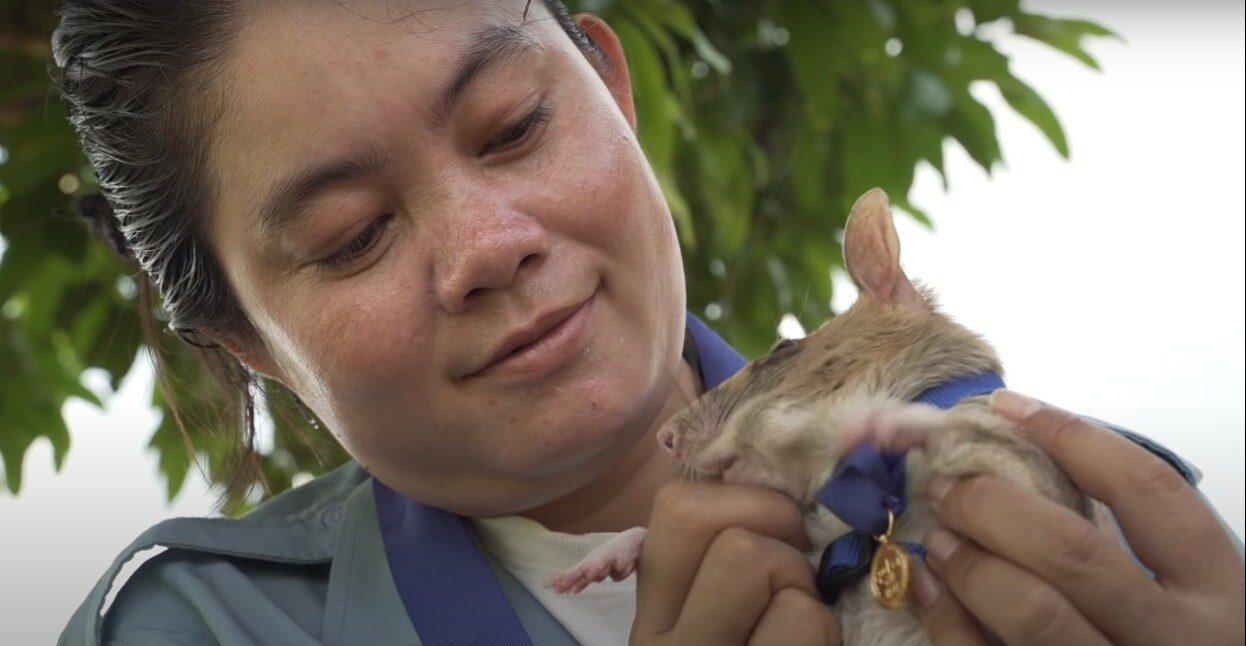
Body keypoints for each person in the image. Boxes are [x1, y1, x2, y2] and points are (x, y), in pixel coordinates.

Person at [52, 1, 1243, 644]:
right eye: (355, 233)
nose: (487, 246)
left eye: (514, 125)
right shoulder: (197, 625)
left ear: (613, 95)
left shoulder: (1115, 524)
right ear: (253, 343)